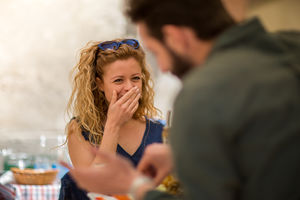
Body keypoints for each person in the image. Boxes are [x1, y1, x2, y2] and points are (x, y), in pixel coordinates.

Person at [62, 0, 300, 200]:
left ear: (175, 37)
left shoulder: (202, 94)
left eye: (156, 52)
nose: (164, 67)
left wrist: (136, 187)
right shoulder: (292, 47)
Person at [58, 38, 164, 200]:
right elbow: (96, 188)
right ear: (100, 84)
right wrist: (113, 125)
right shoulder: (80, 129)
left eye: (135, 78)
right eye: (118, 80)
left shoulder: (159, 131)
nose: (129, 87)